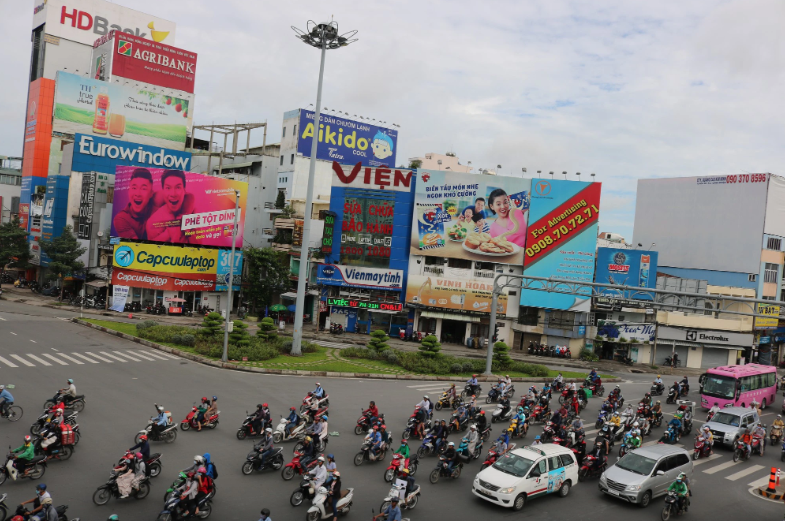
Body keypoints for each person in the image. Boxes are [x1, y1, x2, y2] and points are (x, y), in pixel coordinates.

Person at [146, 170, 194, 243]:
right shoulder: (152, 224)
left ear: (184, 190)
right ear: (163, 191)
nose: (173, 194)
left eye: (178, 187)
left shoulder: (193, 212)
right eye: (168, 188)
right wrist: (173, 230)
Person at [113, 167, 155, 240]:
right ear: (129, 191)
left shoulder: (157, 204)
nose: (138, 194)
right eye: (134, 188)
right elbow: (135, 245)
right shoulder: (121, 218)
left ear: (151, 193)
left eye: (143, 189)